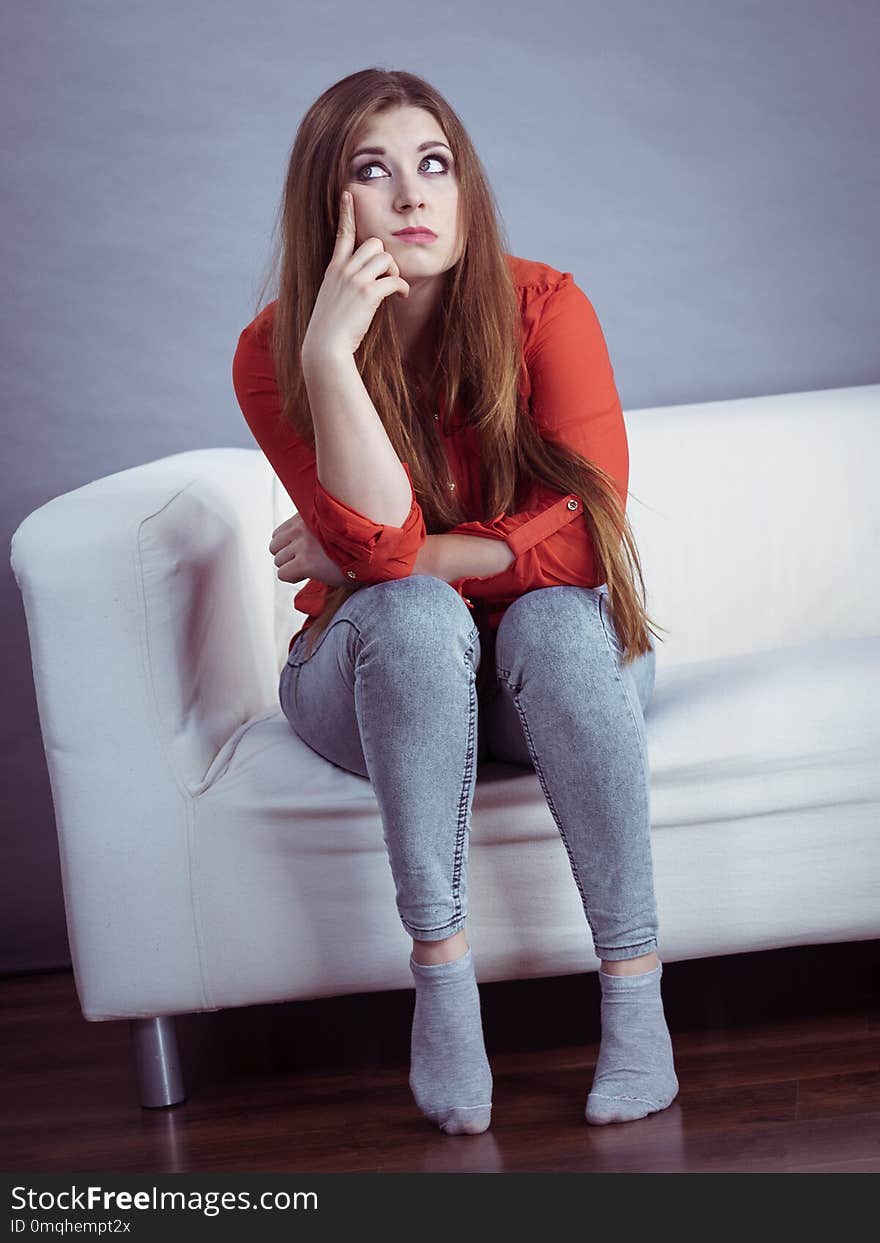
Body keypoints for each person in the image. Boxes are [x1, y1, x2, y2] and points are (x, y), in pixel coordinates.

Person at [231, 67, 679, 1135]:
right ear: (324, 205)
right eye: (371, 173)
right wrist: (332, 355)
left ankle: (635, 994)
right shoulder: (273, 353)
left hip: (546, 668)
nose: (412, 197)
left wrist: (391, 553)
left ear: (465, 186)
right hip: (378, 677)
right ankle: (440, 973)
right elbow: (382, 577)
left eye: (434, 166)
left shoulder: (546, 308)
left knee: (559, 621)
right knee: (414, 618)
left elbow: (586, 531)